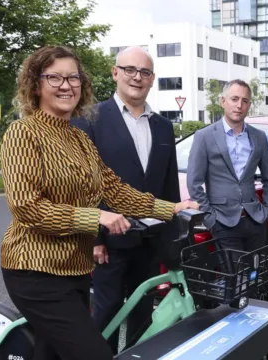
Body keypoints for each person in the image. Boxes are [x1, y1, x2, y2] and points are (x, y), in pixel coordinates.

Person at [0, 45, 197, 360]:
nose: (66, 85)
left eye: (73, 78)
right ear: (36, 85)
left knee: (50, 352)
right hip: (35, 271)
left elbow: (113, 188)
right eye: (55, 77)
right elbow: (27, 208)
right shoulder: (23, 133)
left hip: (75, 269)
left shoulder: (77, 138)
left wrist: (170, 208)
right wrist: (97, 219)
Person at [71, 46, 180, 354]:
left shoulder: (163, 127)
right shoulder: (89, 120)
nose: (137, 77)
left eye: (144, 72)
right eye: (130, 70)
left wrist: (170, 236)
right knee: (106, 313)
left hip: (150, 240)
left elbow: (169, 186)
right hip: (110, 242)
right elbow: (83, 186)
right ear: (115, 72)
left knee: (143, 314)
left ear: (152, 79)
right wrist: (94, 239)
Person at [187, 79, 268, 270]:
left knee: (255, 276)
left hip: (255, 220)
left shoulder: (258, 137)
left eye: (244, 101)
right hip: (223, 221)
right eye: (234, 99)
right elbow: (194, 183)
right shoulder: (204, 136)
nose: (239, 105)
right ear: (223, 101)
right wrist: (211, 218)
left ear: (249, 105)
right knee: (236, 279)